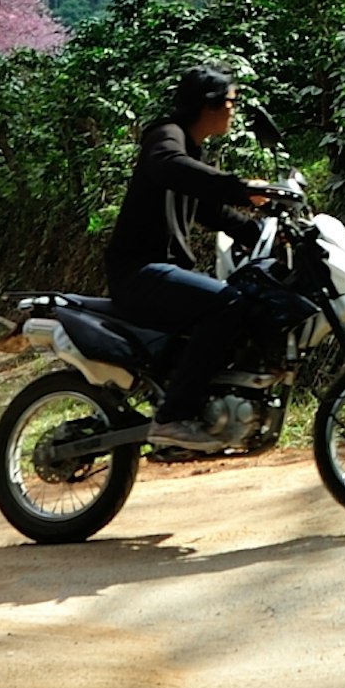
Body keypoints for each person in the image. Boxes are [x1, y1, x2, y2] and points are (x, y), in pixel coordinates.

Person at [110, 68, 277, 446]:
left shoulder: (190, 149)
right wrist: (237, 187)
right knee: (227, 304)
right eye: (231, 102)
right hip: (139, 273)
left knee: (235, 302)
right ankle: (171, 418)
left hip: (159, 273)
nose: (233, 111)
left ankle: (205, 406)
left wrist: (258, 232)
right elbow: (170, 167)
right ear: (209, 105)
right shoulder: (166, 137)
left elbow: (207, 210)